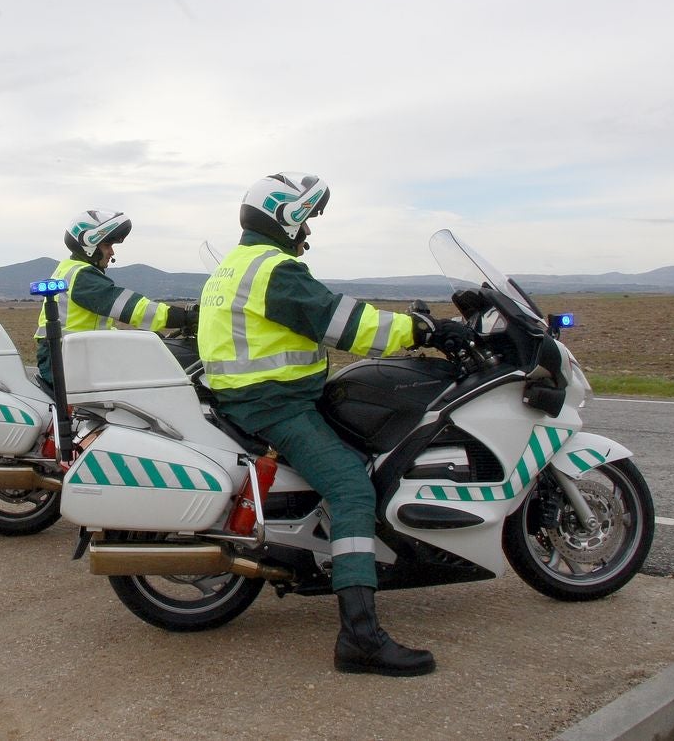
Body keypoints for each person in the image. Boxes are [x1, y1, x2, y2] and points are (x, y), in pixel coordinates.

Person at [197, 172, 471, 678]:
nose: (307, 232)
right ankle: (360, 637)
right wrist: (423, 329)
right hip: (275, 405)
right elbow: (346, 323)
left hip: (262, 397)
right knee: (351, 488)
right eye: (304, 219)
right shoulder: (272, 270)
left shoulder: (236, 265)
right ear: (285, 216)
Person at [34, 209, 195, 385]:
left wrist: (143, 337)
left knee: (151, 345)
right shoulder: (82, 277)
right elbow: (128, 307)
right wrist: (182, 317)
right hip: (67, 360)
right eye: (107, 245)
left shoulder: (69, 269)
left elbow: (93, 328)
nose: (112, 252)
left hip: (71, 354)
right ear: (90, 247)